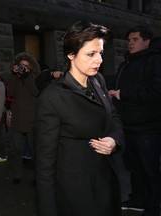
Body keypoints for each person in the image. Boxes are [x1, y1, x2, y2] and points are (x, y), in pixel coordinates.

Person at [35, 20, 123, 216]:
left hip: (106, 181)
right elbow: (44, 164)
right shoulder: (51, 97)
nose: (99, 60)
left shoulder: (98, 80)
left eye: (100, 53)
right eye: (91, 54)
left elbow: (113, 115)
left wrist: (114, 140)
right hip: (75, 193)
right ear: (71, 55)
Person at [109, 25, 161, 216]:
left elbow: (157, 91)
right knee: (134, 168)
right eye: (129, 40)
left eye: (135, 39)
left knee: (150, 171)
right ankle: (137, 199)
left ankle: (153, 208)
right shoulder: (127, 63)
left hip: (148, 127)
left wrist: (124, 94)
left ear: (146, 41)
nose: (130, 43)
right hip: (128, 125)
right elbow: (118, 85)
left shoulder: (155, 61)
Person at [8, 51, 40, 184]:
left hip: (32, 120)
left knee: (35, 150)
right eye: (21, 65)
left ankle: (37, 176)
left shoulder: (35, 78)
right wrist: (16, 75)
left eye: (26, 66)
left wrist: (26, 76)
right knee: (17, 149)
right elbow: (11, 92)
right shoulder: (16, 78)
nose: (23, 68)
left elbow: (35, 92)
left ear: (31, 67)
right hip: (18, 120)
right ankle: (17, 174)